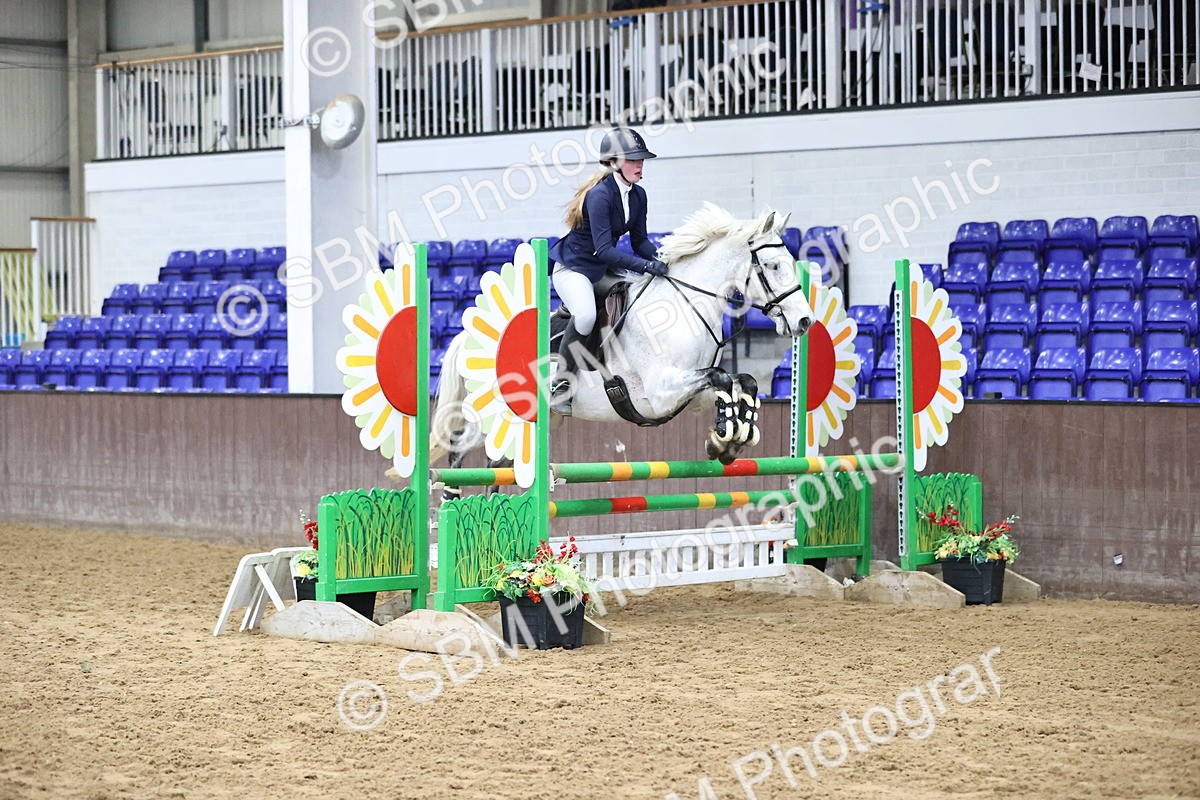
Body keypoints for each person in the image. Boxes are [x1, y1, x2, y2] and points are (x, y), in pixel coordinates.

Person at [547, 126, 669, 415]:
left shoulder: (638, 196)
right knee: (587, 314)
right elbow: (604, 249)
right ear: (613, 162)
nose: (639, 165)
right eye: (633, 160)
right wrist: (647, 266)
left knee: (639, 294)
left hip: (602, 268)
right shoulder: (600, 196)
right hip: (574, 268)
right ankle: (562, 384)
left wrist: (665, 258)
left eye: (641, 160)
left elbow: (640, 242)